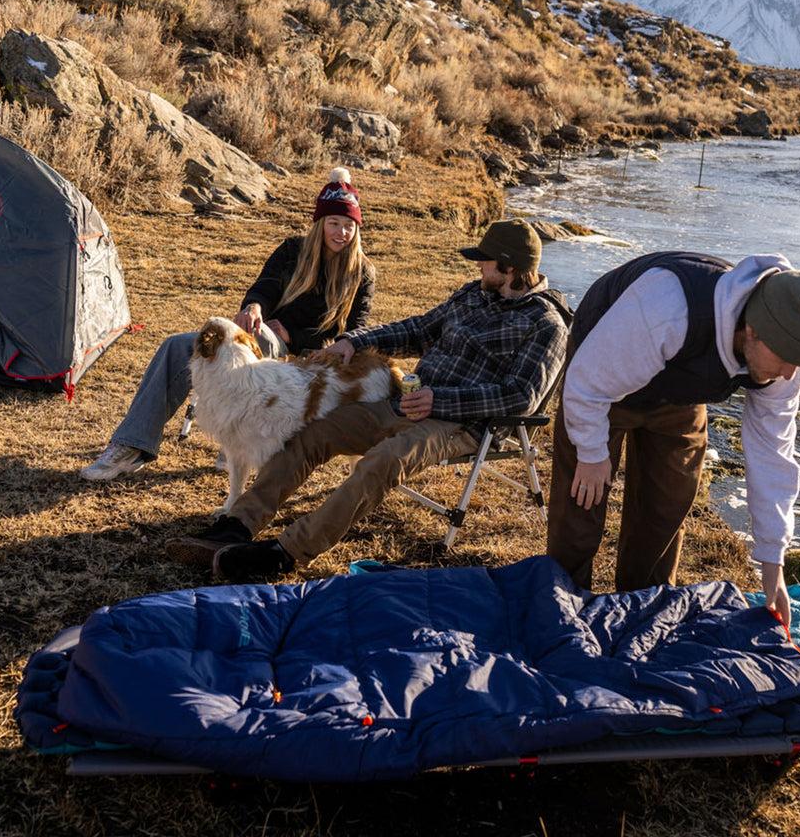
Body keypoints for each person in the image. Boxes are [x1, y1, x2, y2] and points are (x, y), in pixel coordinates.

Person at [166, 219, 569, 581]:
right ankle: (237, 525)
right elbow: (417, 328)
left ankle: (285, 552)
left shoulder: (544, 325)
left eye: (485, 261)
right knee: (312, 436)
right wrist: (353, 342)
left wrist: (440, 400)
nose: (477, 267)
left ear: (510, 268)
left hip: (459, 425)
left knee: (381, 461)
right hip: (405, 403)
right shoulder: (473, 295)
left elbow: (522, 396)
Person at [546, 251, 800, 628]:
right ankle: (563, 606)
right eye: (784, 360)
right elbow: (586, 384)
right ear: (751, 330)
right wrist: (591, 453)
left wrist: (773, 566)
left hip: (679, 391)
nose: (788, 374)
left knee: (668, 502)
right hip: (606, 371)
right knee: (582, 499)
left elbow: (773, 456)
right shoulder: (668, 306)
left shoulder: (785, 359)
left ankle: (643, 611)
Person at [79, 168, 375, 480]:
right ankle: (130, 445)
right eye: (334, 223)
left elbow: (353, 336)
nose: (341, 232)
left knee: (264, 341)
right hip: (258, 335)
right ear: (320, 223)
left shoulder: (362, 274)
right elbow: (266, 286)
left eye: (348, 226)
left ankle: (239, 445)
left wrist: (295, 336)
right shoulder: (293, 250)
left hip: (307, 358)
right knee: (178, 347)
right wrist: (253, 306)